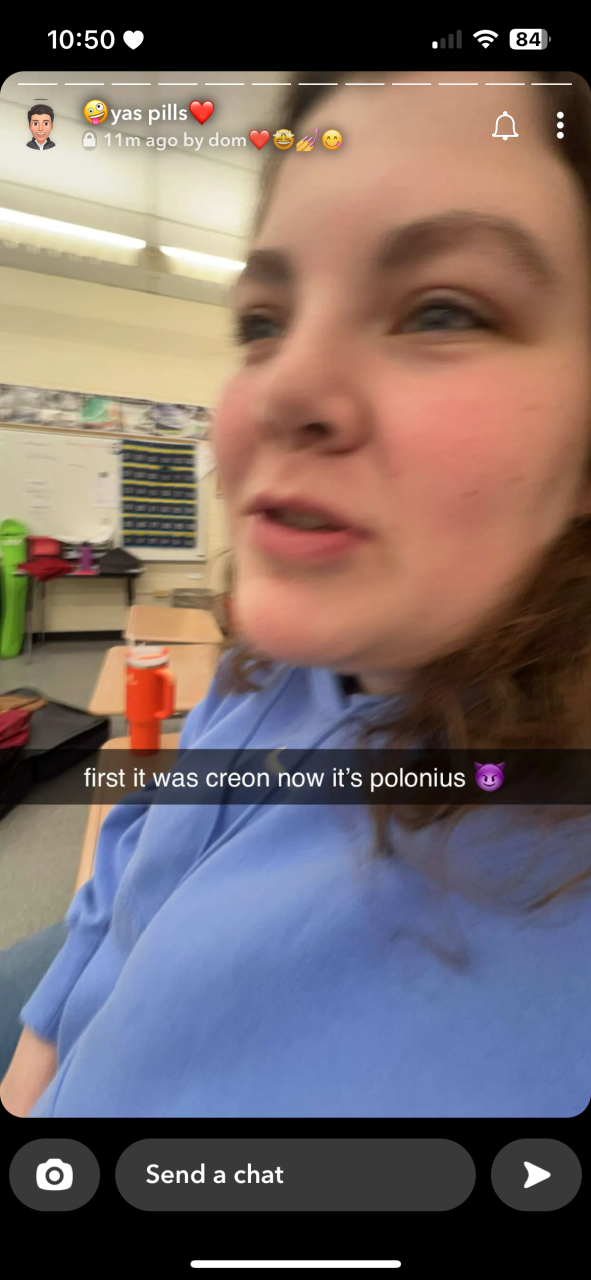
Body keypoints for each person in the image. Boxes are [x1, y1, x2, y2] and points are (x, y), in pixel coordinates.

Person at [2, 69, 591, 1118]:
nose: (280, 389)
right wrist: (42, 1047)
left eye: (441, 309)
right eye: (263, 320)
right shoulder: (291, 653)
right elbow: (141, 841)